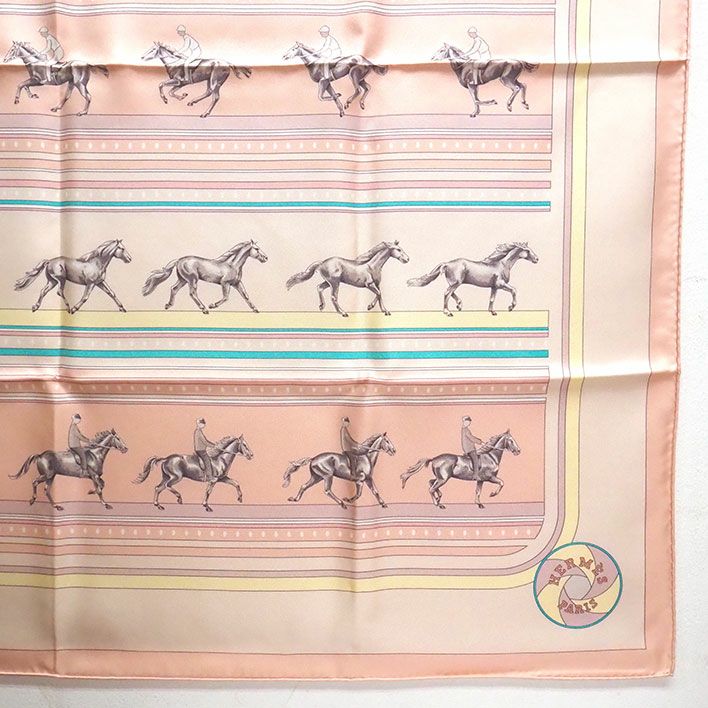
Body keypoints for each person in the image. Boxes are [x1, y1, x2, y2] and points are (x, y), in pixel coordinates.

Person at [312, 25, 342, 98]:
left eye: (322, 33)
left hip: (336, 53)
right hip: (333, 52)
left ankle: (326, 76)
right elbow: (325, 48)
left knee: (325, 61)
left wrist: (317, 52)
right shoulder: (328, 38)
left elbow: (325, 48)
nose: (321, 34)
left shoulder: (329, 39)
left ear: (326, 32)